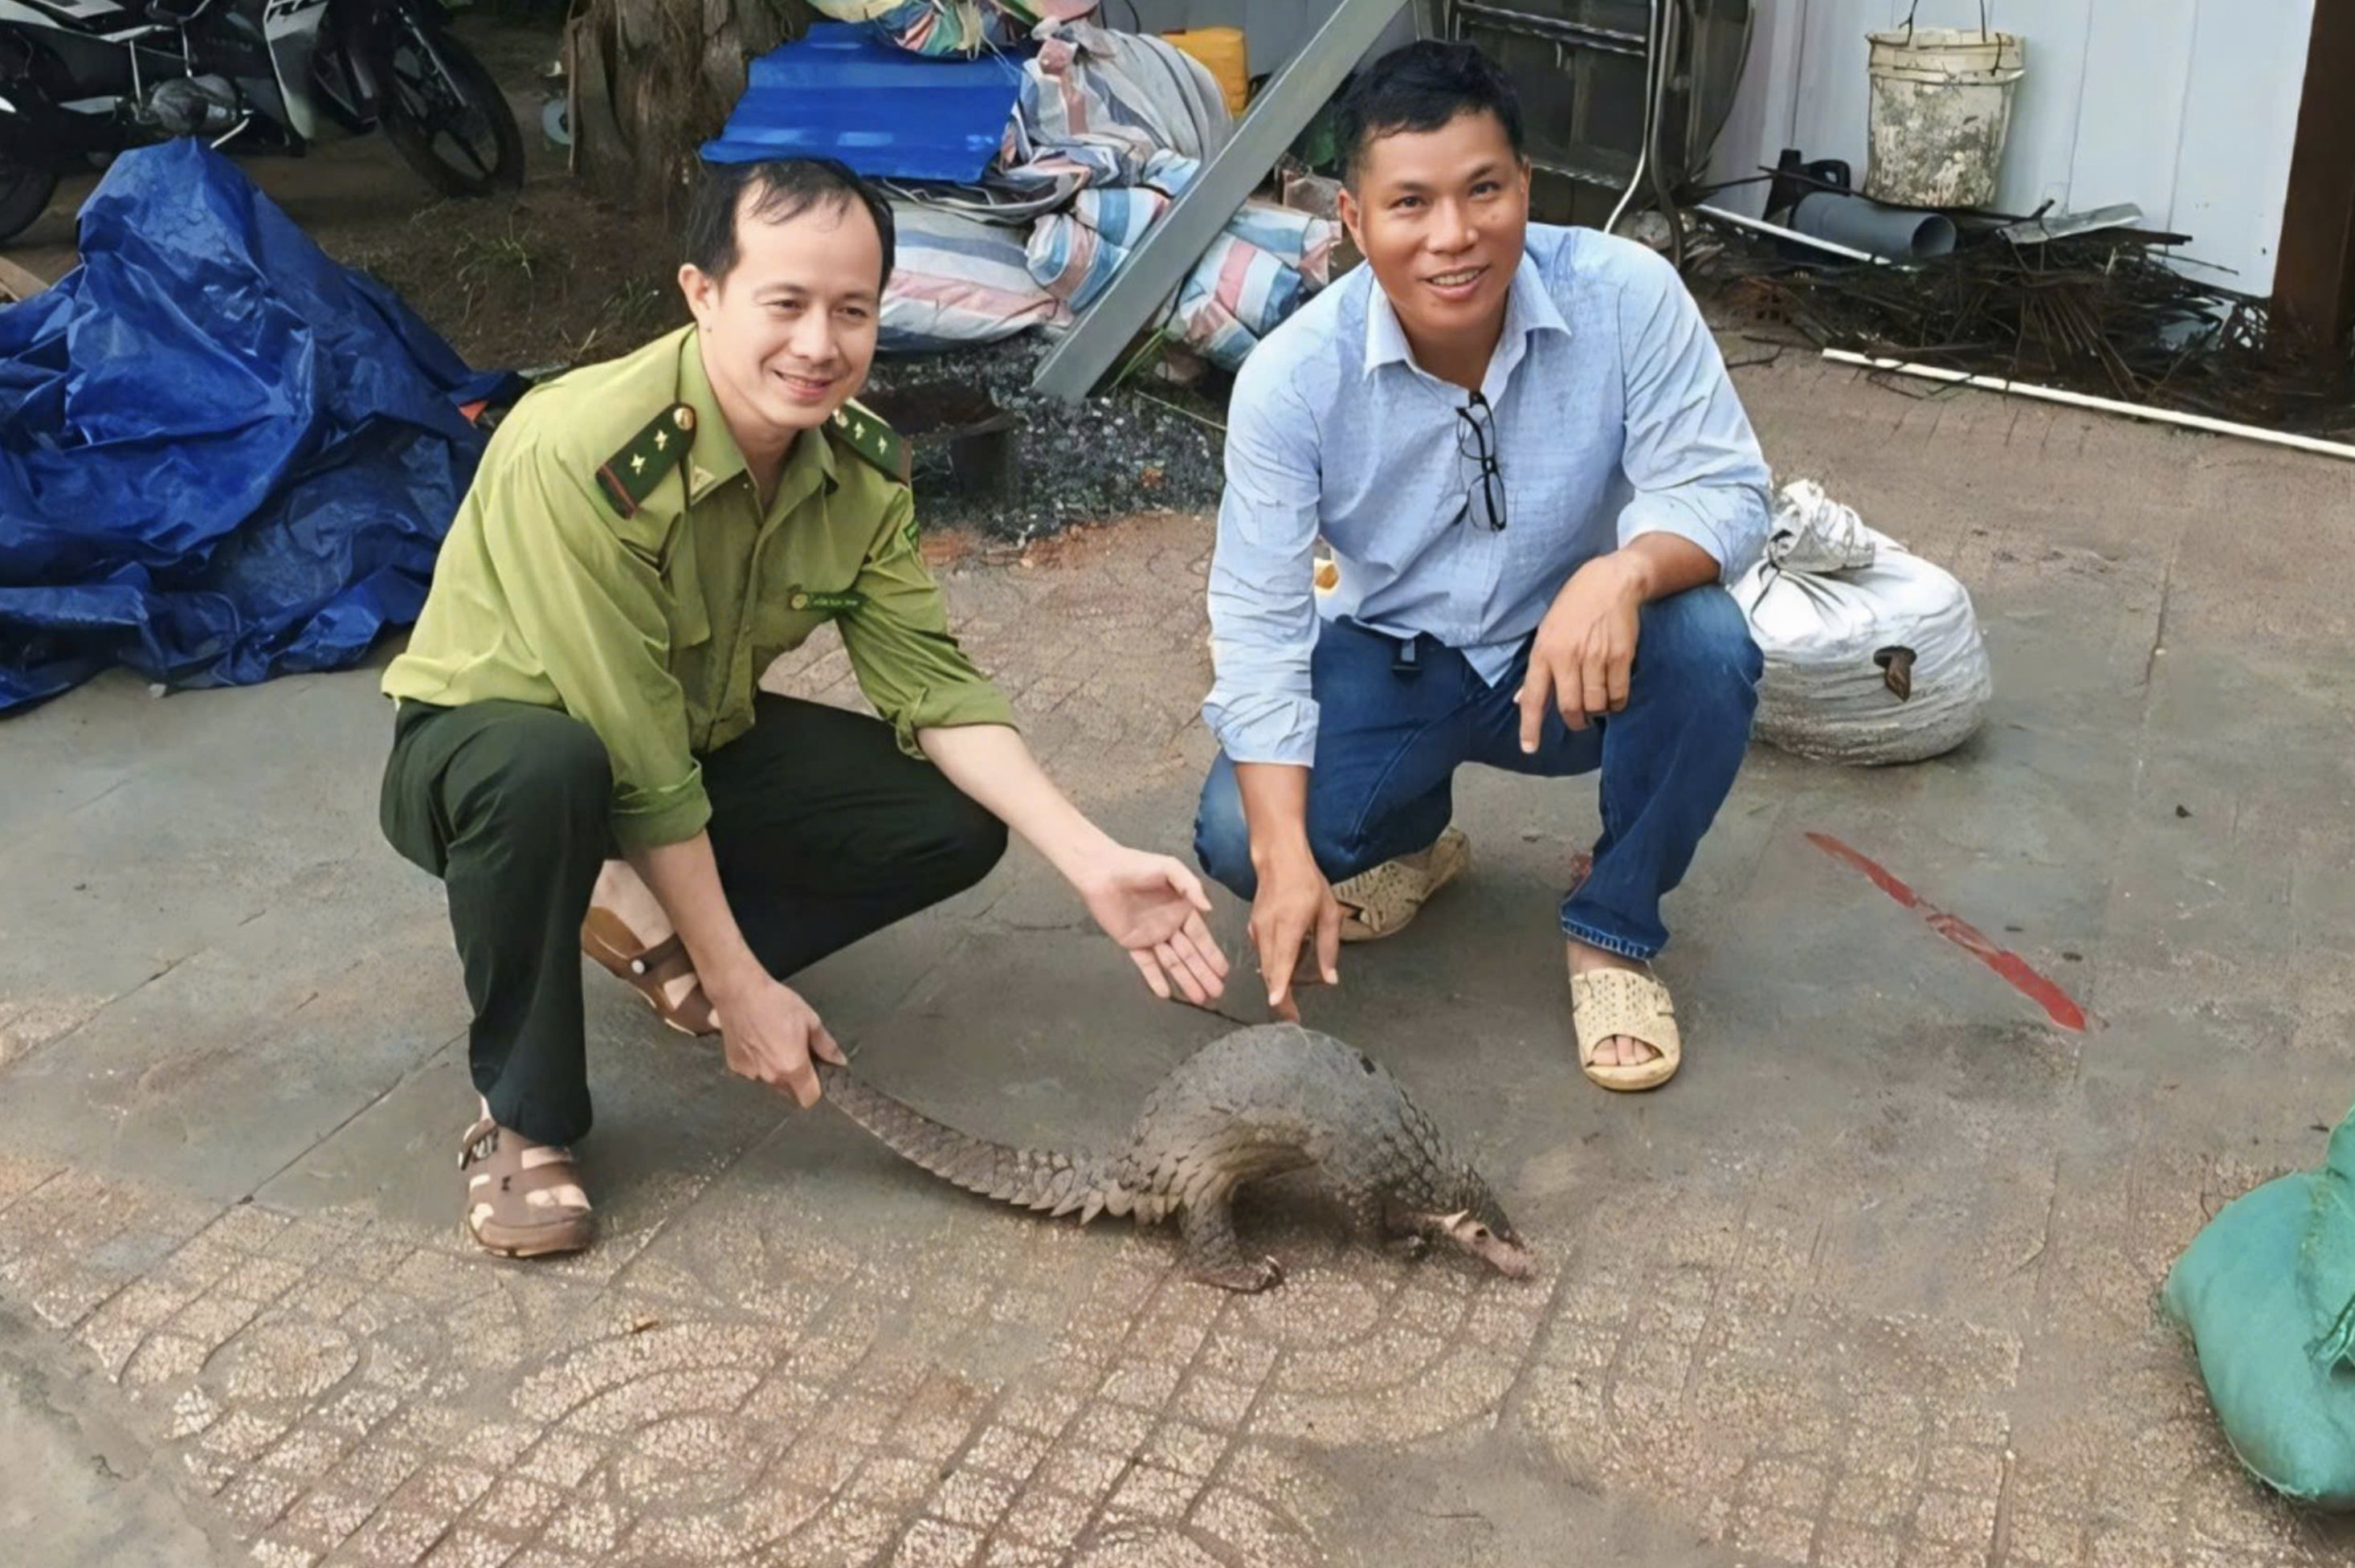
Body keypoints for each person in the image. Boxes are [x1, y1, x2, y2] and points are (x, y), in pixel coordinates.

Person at [378, 157, 1227, 1259]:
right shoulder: (583, 452)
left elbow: (933, 684)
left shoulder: (857, 465)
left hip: (685, 743)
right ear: (703, 294)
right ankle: (524, 1116)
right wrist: (741, 990)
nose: (819, 345)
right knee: (555, 773)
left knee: (951, 820)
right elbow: (630, 750)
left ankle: (658, 927)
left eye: (852, 310)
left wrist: (1088, 856)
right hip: (487, 753)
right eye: (785, 304)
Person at [1194, 40, 1769, 1093]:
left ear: (1527, 189)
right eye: (1410, 204)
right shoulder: (1291, 378)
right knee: (1238, 836)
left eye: (1483, 190)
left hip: (1577, 667)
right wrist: (1283, 863)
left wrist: (1624, 573)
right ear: (1354, 223)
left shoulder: (1627, 295)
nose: (1454, 237)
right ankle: (1413, 841)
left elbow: (1730, 491)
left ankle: (1614, 929)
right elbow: (1260, 628)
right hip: (1394, 662)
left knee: (1710, 644)